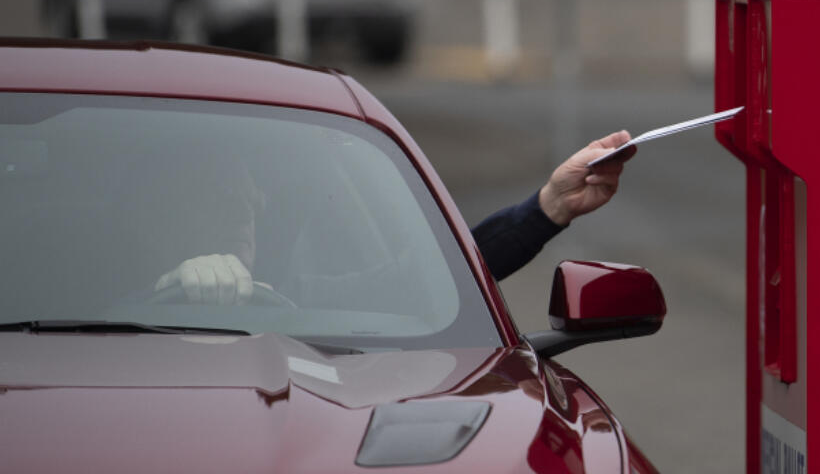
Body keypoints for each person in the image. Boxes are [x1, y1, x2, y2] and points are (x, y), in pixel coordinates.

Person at [152, 130, 636, 305]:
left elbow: (441, 275)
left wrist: (549, 206)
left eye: (252, 190)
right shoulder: (92, 320)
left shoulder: (301, 308)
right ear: (161, 215)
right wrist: (174, 296)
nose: (248, 205)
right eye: (220, 191)